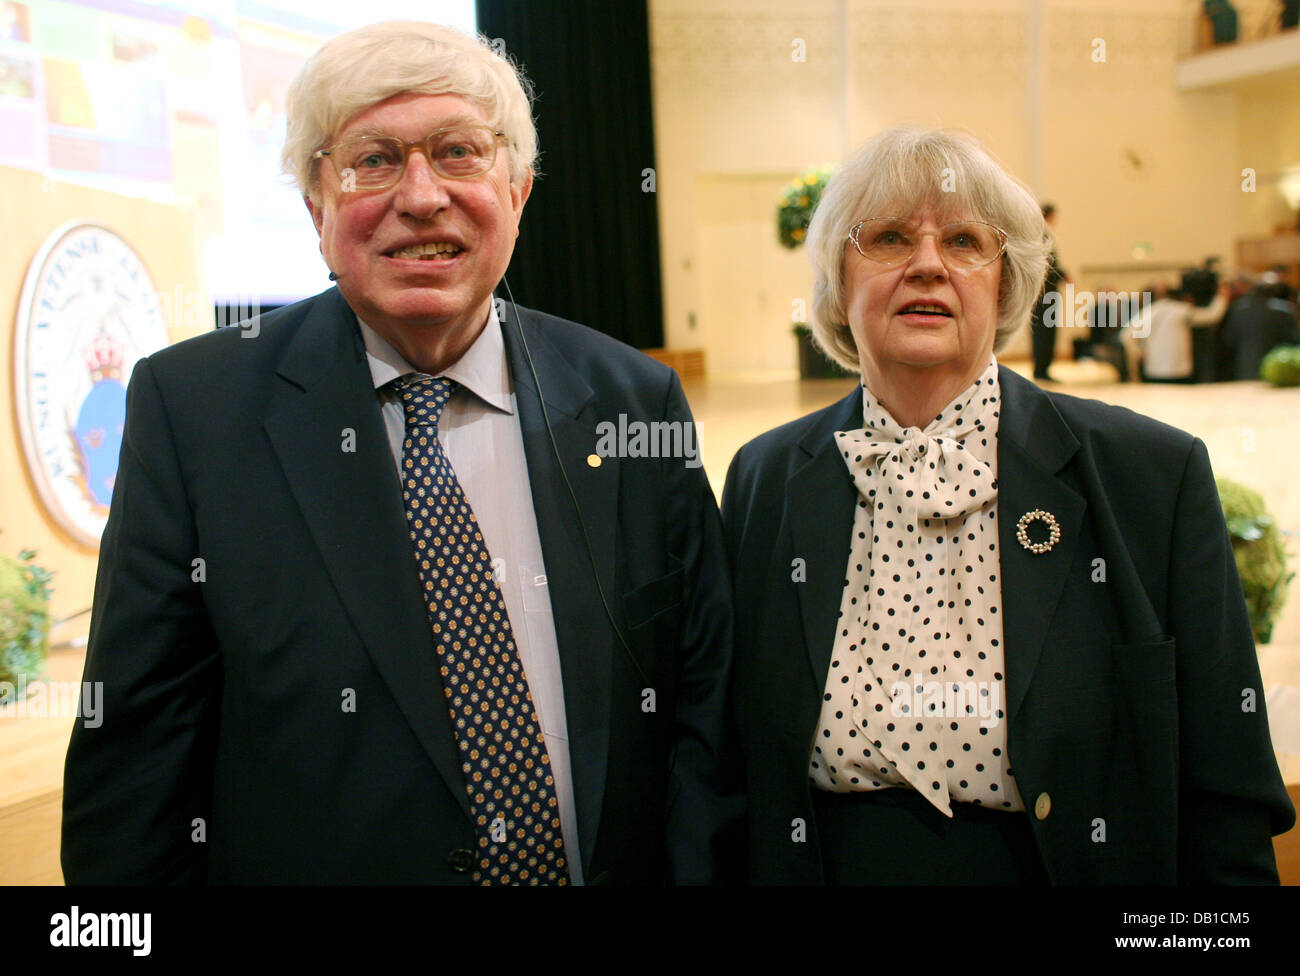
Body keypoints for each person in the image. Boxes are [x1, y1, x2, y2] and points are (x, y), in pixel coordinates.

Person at [61, 21, 739, 885]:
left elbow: (705, 725)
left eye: (458, 152)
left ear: (520, 192)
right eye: (373, 160)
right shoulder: (193, 416)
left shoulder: (635, 405)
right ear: (317, 207)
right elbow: (136, 772)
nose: (420, 198)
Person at [721, 126, 1294, 884]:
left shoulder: (1152, 476)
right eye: (889, 238)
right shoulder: (764, 479)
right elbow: (728, 768)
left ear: (1007, 280)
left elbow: (1228, 797)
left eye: (963, 241)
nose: (928, 264)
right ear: (835, 278)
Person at [1131, 279, 1228, 382]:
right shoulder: (1181, 310)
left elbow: (1126, 336)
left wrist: (1140, 352)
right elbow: (1211, 316)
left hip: (1154, 369)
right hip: (1179, 369)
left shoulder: (1147, 313)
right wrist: (1222, 296)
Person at [1029, 203, 1067, 382]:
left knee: (1044, 331)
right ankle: (1041, 369)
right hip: (1045, 293)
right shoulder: (1041, 236)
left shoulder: (1041, 235)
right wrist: (1063, 275)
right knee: (1044, 331)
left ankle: (1042, 368)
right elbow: (1048, 266)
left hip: (1045, 293)